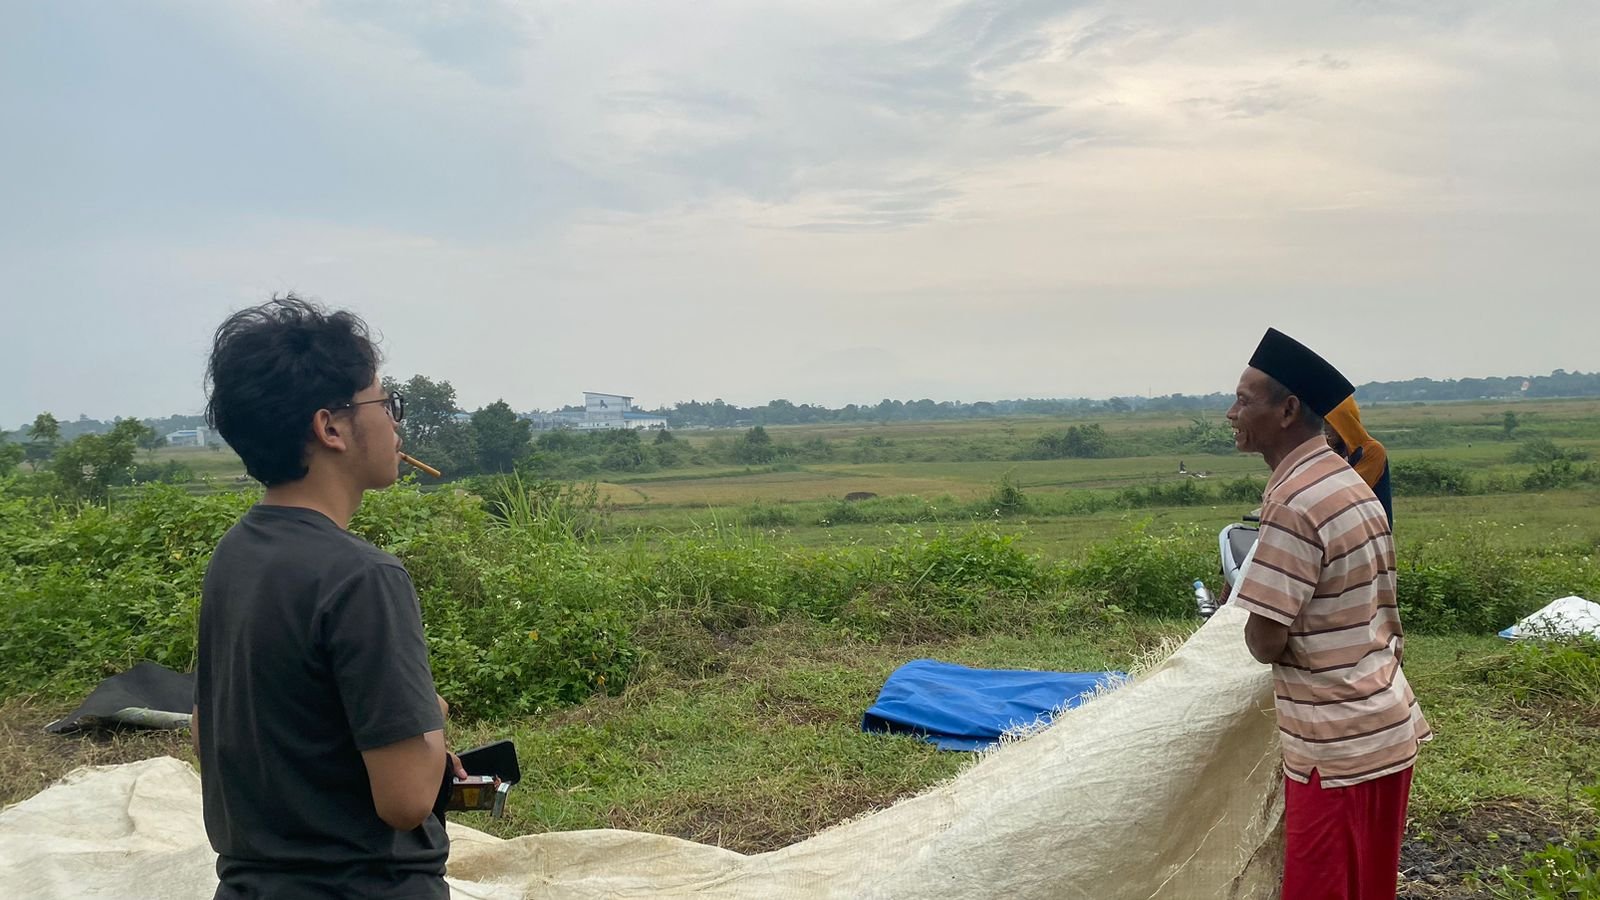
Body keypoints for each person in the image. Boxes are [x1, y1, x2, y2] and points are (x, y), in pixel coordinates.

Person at [191, 296, 466, 899]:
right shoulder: (364, 577)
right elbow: (405, 800)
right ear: (331, 428)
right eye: (385, 404)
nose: (395, 424)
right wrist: (428, 721)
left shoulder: (235, 553)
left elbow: (206, 728)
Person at [1226, 328, 1431, 900]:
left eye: (1243, 400)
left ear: (1288, 410)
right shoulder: (1347, 479)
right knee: (1368, 886)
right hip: (1384, 728)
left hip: (1335, 748)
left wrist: (1244, 613)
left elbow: (1266, 640)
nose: (1230, 414)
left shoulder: (1294, 502)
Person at [1323, 393, 1394, 526]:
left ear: (1343, 423)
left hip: (1372, 527)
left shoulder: (1372, 450)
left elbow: (1349, 491)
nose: (1325, 429)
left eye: (1329, 423)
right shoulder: (1335, 451)